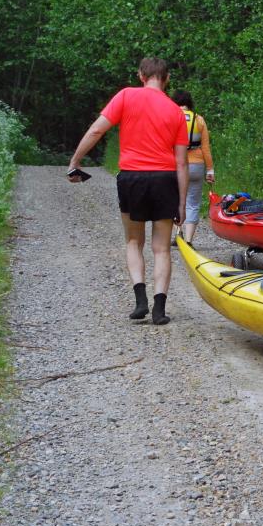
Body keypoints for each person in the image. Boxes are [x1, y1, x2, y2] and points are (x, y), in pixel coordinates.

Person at [68, 57, 189, 325]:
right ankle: (159, 309)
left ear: (141, 76)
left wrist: (75, 161)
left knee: (134, 241)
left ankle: (140, 300)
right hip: (165, 180)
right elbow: (181, 162)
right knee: (161, 249)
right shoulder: (176, 111)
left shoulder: (125, 96)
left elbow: (98, 129)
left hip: (132, 178)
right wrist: (182, 203)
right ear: (166, 79)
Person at [170, 90, 214, 247]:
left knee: (176, 200)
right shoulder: (199, 120)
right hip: (196, 165)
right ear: (190, 103)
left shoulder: (171, 117)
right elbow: (206, 148)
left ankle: (177, 234)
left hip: (176, 164)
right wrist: (210, 170)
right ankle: (188, 240)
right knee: (193, 203)